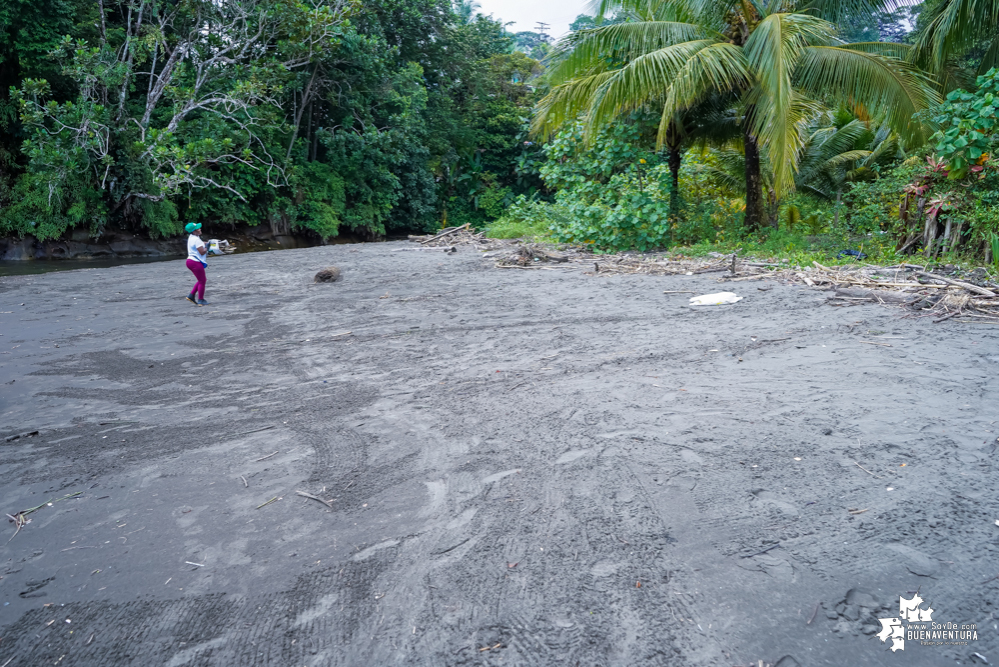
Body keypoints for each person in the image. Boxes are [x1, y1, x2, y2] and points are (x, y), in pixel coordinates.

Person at [184, 222, 210, 306]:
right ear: (194, 231)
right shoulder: (196, 239)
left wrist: (205, 243)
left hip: (190, 261)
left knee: (200, 280)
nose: (200, 229)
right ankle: (201, 300)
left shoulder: (192, 237)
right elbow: (202, 252)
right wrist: (207, 248)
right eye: (198, 228)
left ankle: (191, 295)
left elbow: (199, 244)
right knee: (203, 280)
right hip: (195, 262)